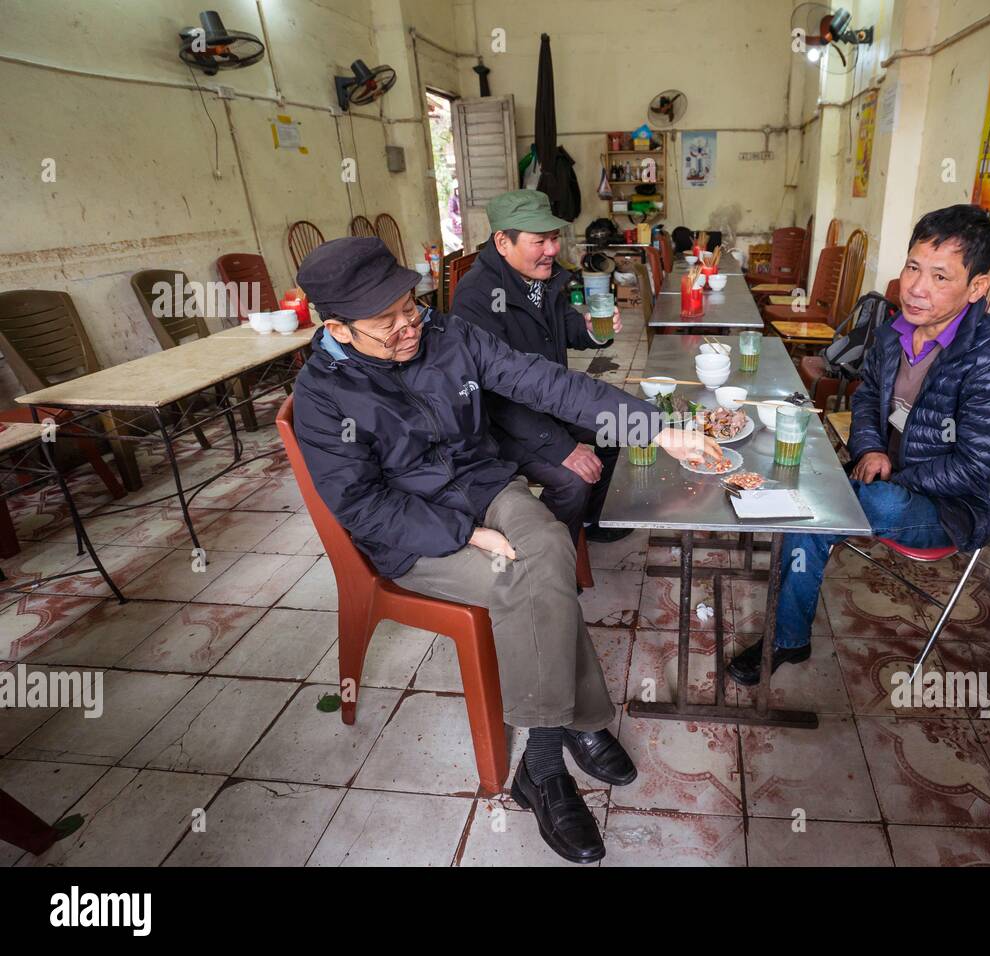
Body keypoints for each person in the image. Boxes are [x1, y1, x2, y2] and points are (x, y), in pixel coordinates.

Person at [290, 236, 723, 862]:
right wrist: (464, 534)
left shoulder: (447, 336)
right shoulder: (323, 399)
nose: (407, 326)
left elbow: (546, 383)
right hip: (413, 528)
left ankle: (546, 750)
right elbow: (362, 505)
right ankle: (556, 757)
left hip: (483, 484)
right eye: (385, 323)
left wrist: (657, 429)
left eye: (409, 306)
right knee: (526, 581)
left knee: (546, 543)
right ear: (337, 328)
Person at [728, 204, 990, 685]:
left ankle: (787, 638)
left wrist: (896, 474)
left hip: (951, 504)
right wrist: (871, 449)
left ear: (976, 287)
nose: (916, 287)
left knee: (817, 510)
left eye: (940, 276)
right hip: (887, 470)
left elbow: (982, 469)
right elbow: (869, 394)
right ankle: (794, 555)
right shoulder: (897, 332)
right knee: (805, 471)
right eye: (913, 267)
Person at [454, 189, 631, 545]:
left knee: (623, 427)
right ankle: (549, 557)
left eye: (554, 239)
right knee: (573, 480)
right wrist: (561, 448)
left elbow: (566, 326)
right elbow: (495, 397)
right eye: (540, 241)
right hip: (500, 425)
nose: (552, 250)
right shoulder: (476, 297)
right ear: (503, 242)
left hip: (548, 402)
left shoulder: (541, 278)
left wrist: (596, 332)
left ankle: (592, 521)